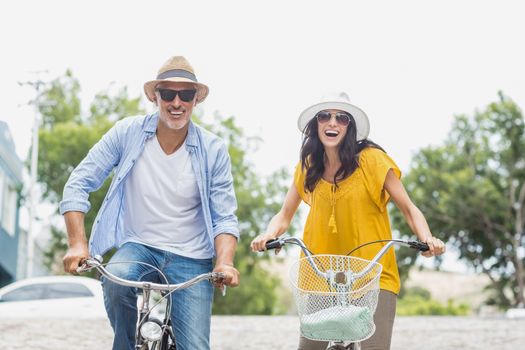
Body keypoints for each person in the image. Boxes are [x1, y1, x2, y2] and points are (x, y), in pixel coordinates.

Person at [60, 56, 240, 350]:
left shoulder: (214, 150)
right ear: (154, 96)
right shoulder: (126, 133)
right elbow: (78, 183)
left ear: (196, 100)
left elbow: (224, 217)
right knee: (116, 278)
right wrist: (78, 244)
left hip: (192, 258)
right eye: (168, 93)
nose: (176, 102)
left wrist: (225, 262)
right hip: (139, 246)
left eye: (186, 94)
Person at [250, 92, 446, 350]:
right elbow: (285, 214)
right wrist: (268, 234)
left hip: (372, 276)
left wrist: (427, 238)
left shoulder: (372, 160)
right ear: (316, 124)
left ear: (350, 126)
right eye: (325, 116)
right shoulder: (309, 165)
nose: (332, 123)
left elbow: (409, 208)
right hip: (321, 277)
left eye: (341, 118)